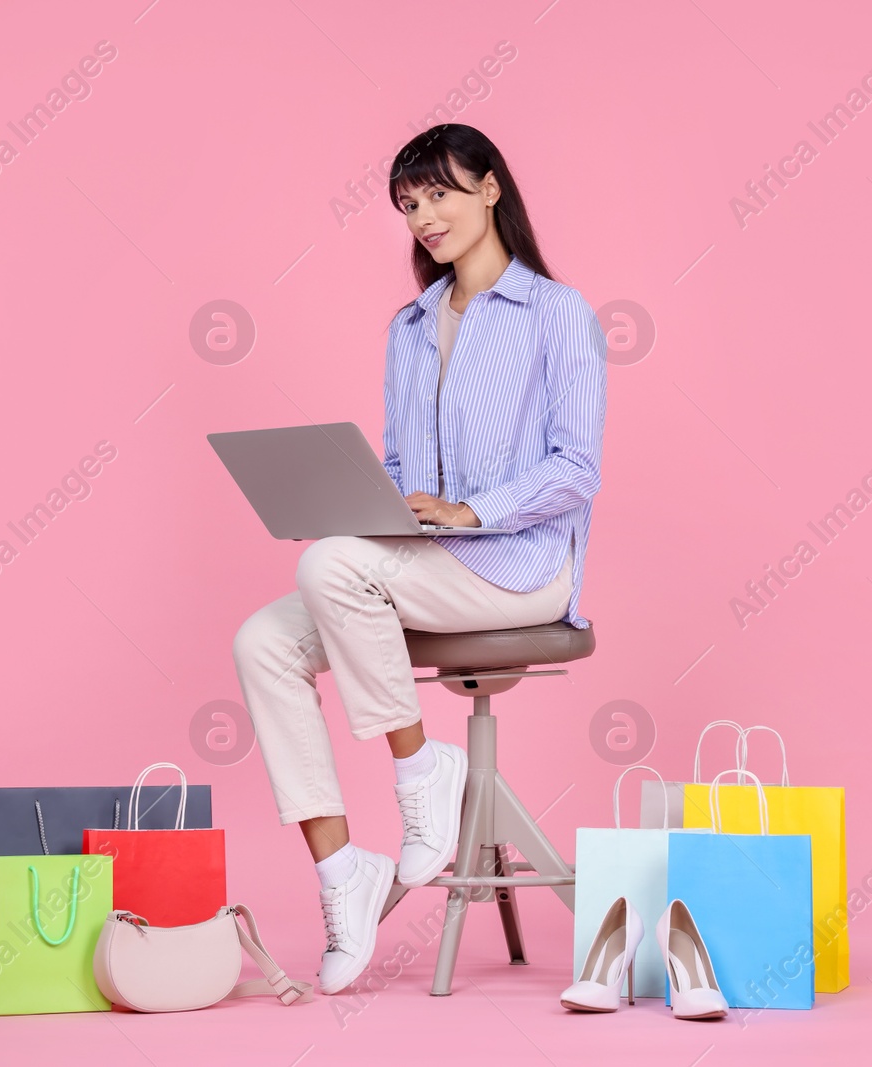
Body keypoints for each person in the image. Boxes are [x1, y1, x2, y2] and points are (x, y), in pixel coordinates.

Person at [231, 123, 607, 994]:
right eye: (408, 203)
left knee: (331, 567)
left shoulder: (559, 313)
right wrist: (367, 507)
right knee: (262, 640)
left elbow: (577, 465)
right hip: (421, 562)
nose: (423, 215)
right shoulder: (408, 326)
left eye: (438, 192)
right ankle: (343, 876)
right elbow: (405, 469)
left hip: (521, 566)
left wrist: (473, 510)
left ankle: (420, 769)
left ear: (489, 189)